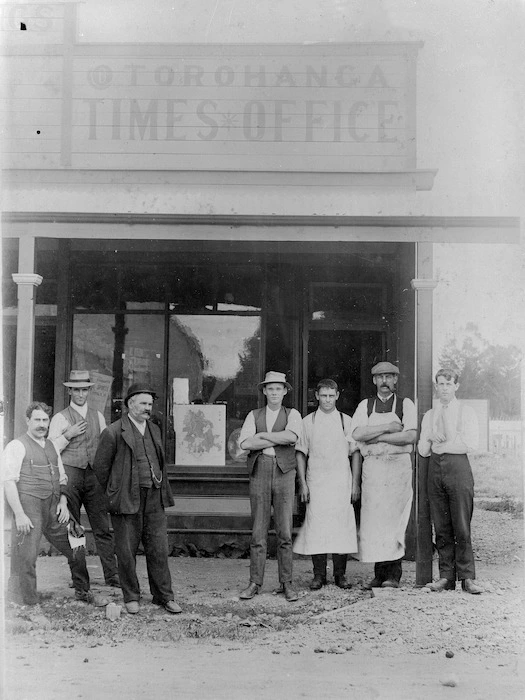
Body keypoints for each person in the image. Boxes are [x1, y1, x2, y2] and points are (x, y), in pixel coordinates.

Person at [2, 402, 108, 607]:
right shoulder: (17, 445)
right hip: (29, 509)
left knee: (76, 541)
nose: (41, 424)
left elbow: (61, 478)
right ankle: (29, 603)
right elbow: (8, 481)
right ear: (27, 421)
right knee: (27, 556)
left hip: (53, 508)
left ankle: (83, 591)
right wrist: (19, 514)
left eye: (45, 420)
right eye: (37, 420)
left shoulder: (51, 445)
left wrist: (62, 502)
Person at [92, 384, 181, 614]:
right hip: (126, 499)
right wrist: (116, 492)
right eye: (143, 403)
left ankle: (163, 596)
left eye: (150, 404)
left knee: (158, 548)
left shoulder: (153, 429)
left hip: (154, 496)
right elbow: (101, 469)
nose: (147, 408)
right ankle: (131, 596)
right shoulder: (113, 432)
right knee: (126, 550)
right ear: (130, 404)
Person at [49, 370, 119, 587]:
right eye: (76, 389)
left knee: (102, 527)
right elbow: (50, 450)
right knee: (73, 528)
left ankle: (112, 575)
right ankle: (79, 578)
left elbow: (107, 446)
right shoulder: (60, 418)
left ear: (89, 391)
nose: (80, 394)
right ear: (69, 390)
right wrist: (67, 435)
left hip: (93, 476)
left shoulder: (98, 416)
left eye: (84, 390)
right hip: (70, 475)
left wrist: (104, 473)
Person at [238, 371, 303, 602]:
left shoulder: (292, 413)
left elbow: (291, 437)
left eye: (279, 389)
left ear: (285, 391)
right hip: (260, 470)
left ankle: (286, 583)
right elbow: (245, 442)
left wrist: (263, 436)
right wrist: (277, 436)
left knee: (285, 531)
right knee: (258, 531)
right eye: (270, 389)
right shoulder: (253, 414)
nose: (275, 393)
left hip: (284, 471)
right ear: (264, 391)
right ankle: (255, 582)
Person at [351, 362, 417, 589]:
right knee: (375, 519)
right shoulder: (365, 406)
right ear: (374, 381)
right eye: (380, 377)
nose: (385, 382)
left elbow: (409, 437)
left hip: (397, 466)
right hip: (374, 468)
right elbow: (358, 433)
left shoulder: (405, 404)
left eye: (389, 377)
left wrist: (376, 438)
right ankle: (379, 575)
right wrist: (388, 428)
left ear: (396, 380)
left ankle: (393, 575)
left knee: (394, 519)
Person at [418, 368, 482, 594]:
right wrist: (429, 436)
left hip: (458, 469)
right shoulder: (430, 415)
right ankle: (446, 576)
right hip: (435, 470)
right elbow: (423, 451)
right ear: (436, 387)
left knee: (462, 525)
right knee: (442, 526)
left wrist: (444, 444)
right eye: (440, 384)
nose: (443, 388)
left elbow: (470, 444)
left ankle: (467, 578)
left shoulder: (466, 412)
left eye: (448, 384)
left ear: (456, 386)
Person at [293, 379, 361, 590]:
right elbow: (301, 453)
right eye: (324, 396)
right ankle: (319, 575)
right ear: (317, 396)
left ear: (337, 396)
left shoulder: (346, 421)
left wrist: (355, 484)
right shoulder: (308, 422)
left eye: (331, 396)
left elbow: (356, 453)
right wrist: (303, 483)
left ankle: (340, 575)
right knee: (317, 527)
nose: (328, 400)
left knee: (341, 527)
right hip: (317, 483)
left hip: (341, 482)